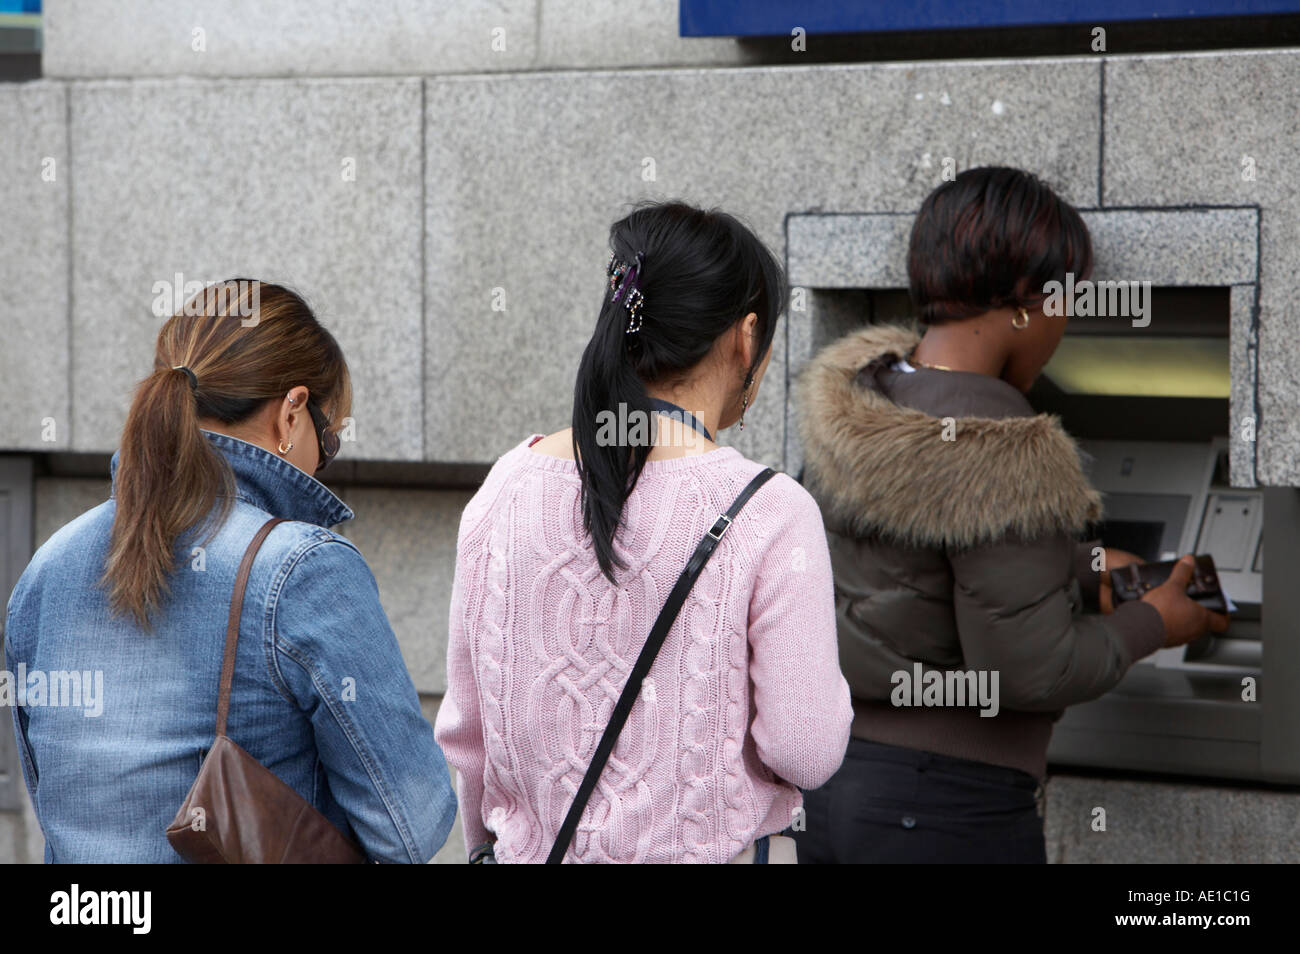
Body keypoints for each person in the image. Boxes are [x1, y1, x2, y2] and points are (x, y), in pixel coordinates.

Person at [792, 167, 1229, 864]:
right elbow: (1034, 673)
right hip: (946, 811)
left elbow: (922, 574)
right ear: (1025, 301)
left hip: (836, 791)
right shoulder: (998, 437)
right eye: (1065, 300)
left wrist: (1082, 569)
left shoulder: (865, 405)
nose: (1066, 323)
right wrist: (1157, 621)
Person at [434, 200, 852, 863]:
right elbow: (806, 749)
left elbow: (466, 738)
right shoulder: (772, 512)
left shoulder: (506, 486)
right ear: (746, 337)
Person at [4, 279, 456, 863]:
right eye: (329, 436)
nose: (324, 459)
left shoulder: (49, 566)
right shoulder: (301, 569)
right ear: (292, 412)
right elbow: (409, 827)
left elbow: (56, 800)